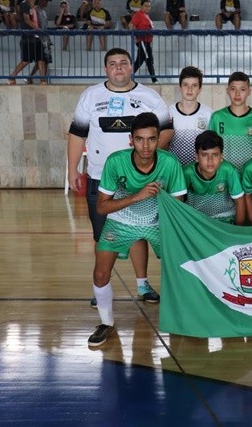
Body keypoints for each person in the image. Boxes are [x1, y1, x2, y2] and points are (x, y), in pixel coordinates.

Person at [67, 48, 173, 309]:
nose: (118, 68)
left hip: (139, 181)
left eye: (123, 63)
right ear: (105, 69)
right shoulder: (91, 96)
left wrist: (147, 160)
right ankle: (101, 285)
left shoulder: (149, 96)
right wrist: (72, 169)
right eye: (112, 64)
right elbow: (77, 134)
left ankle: (142, 284)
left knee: (137, 232)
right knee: (103, 236)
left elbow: (167, 131)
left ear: (131, 68)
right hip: (99, 178)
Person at [87, 112, 187, 347]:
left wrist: (173, 236)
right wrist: (137, 196)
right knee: (100, 273)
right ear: (131, 140)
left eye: (151, 139)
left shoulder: (169, 163)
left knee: (183, 266)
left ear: (158, 138)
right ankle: (106, 323)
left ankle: (185, 317)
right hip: (121, 221)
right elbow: (101, 207)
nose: (145, 145)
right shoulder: (116, 161)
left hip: (157, 223)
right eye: (140, 139)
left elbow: (178, 205)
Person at [183, 130, 245, 225]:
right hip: (196, 221)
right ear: (196, 156)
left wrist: (237, 231)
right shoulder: (187, 173)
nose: (210, 161)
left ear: (221, 156)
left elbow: (239, 202)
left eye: (215, 155)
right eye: (204, 155)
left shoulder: (229, 170)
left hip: (226, 220)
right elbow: (177, 203)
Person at [208, 71, 252, 171]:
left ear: (249, 91)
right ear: (227, 91)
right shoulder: (217, 117)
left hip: (249, 173)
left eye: (242, 89)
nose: (237, 94)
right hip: (224, 173)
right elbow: (210, 148)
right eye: (233, 89)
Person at [169, 66, 213, 165]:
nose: (189, 89)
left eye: (194, 85)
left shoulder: (208, 113)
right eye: (185, 85)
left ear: (200, 89)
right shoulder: (169, 112)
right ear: (180, 87)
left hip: (198, 172)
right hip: (175, 170)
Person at [7, 0, 46, 85]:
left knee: (41, 58)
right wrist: (38, 29)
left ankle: (43, 80)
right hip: (28, 36)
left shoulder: (34, 7)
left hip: (37, 37)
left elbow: (36, 21)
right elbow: (26, 19)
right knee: (26, 60)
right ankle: (12, 76)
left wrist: (40, 32)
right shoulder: (25, 5)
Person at [129, 0, 157, 83]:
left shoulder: (146, 16)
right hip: (142, 40)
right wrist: (136, 38)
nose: (147, 8)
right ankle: (154, 79)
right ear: (141, 6)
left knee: (140, 60)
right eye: (145, 6)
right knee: (148, 60)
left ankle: (128, 76)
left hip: (147, 41)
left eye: (149, 6)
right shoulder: (139, 14)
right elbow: (131, 25)